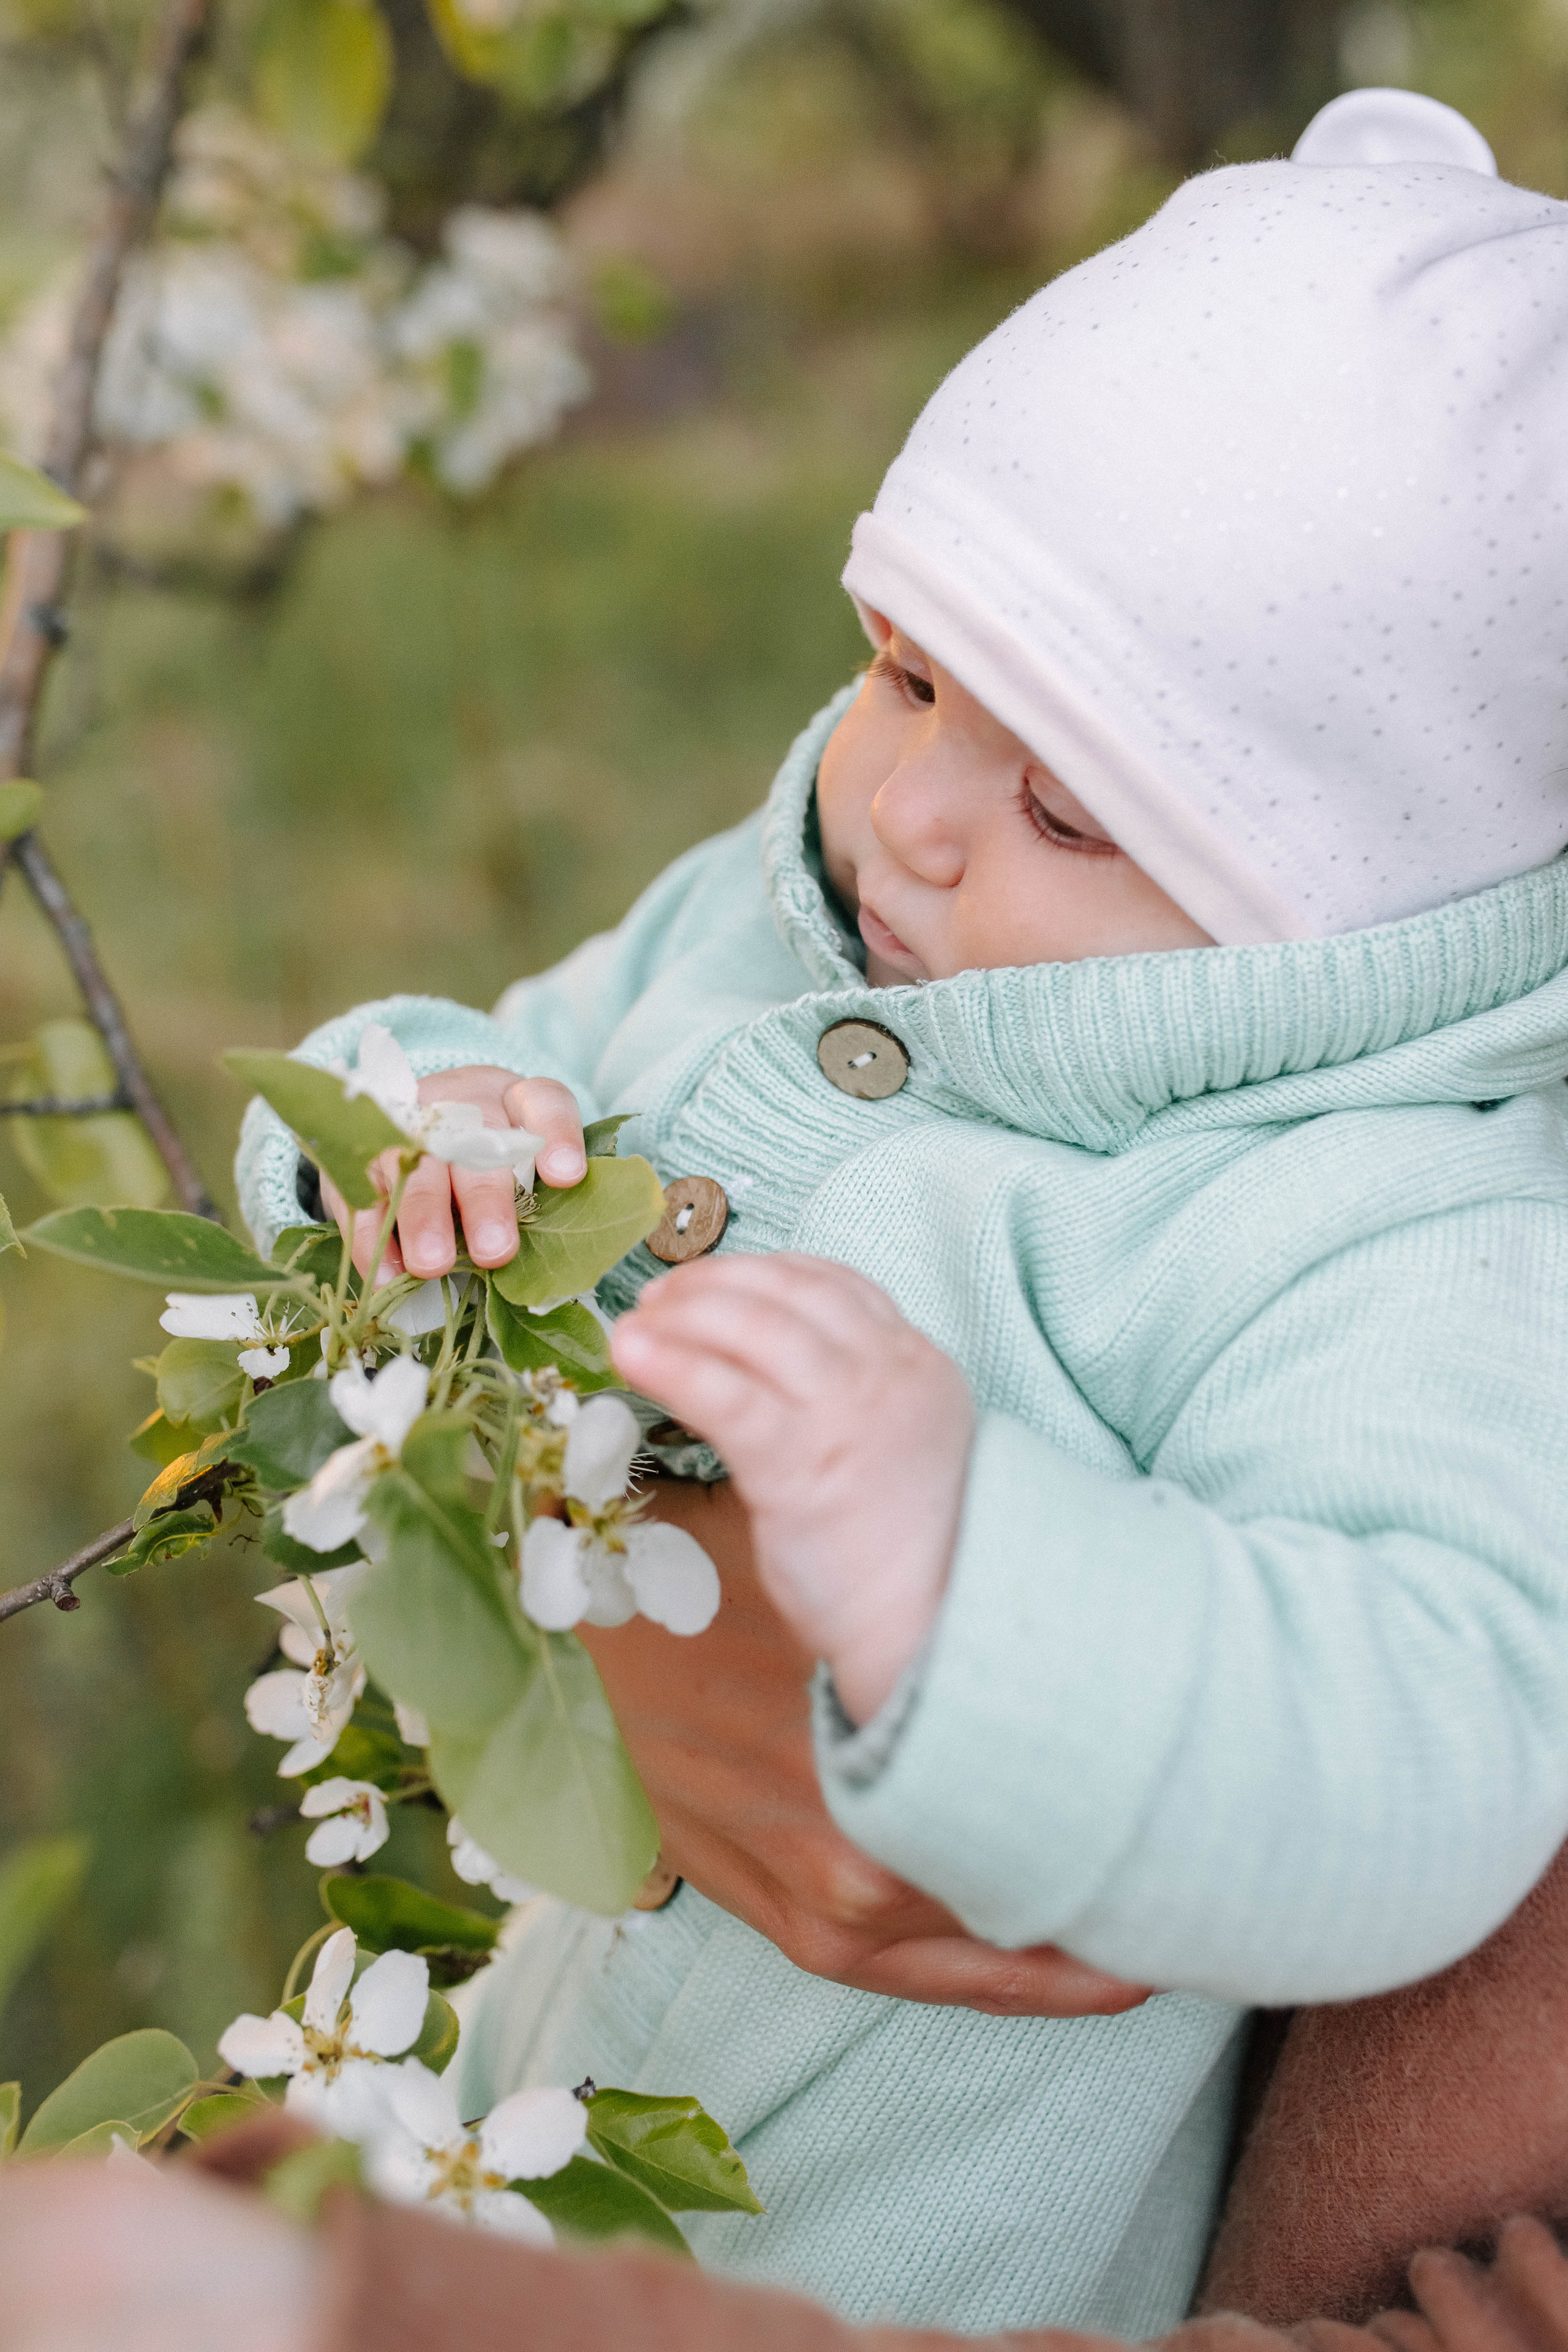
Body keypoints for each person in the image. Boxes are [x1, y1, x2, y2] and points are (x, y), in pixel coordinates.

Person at [236, 85, 1568, 2339]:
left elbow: (1442, 1741)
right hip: (487, 2096)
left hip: (869, 2270)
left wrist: (984, 1583)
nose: (909, 819)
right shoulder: (801, 932)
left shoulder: (1377, 1238)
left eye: (1065, 799)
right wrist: (405, 1135)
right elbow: (504, 1052)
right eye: (904, 670)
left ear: (1344, 916)